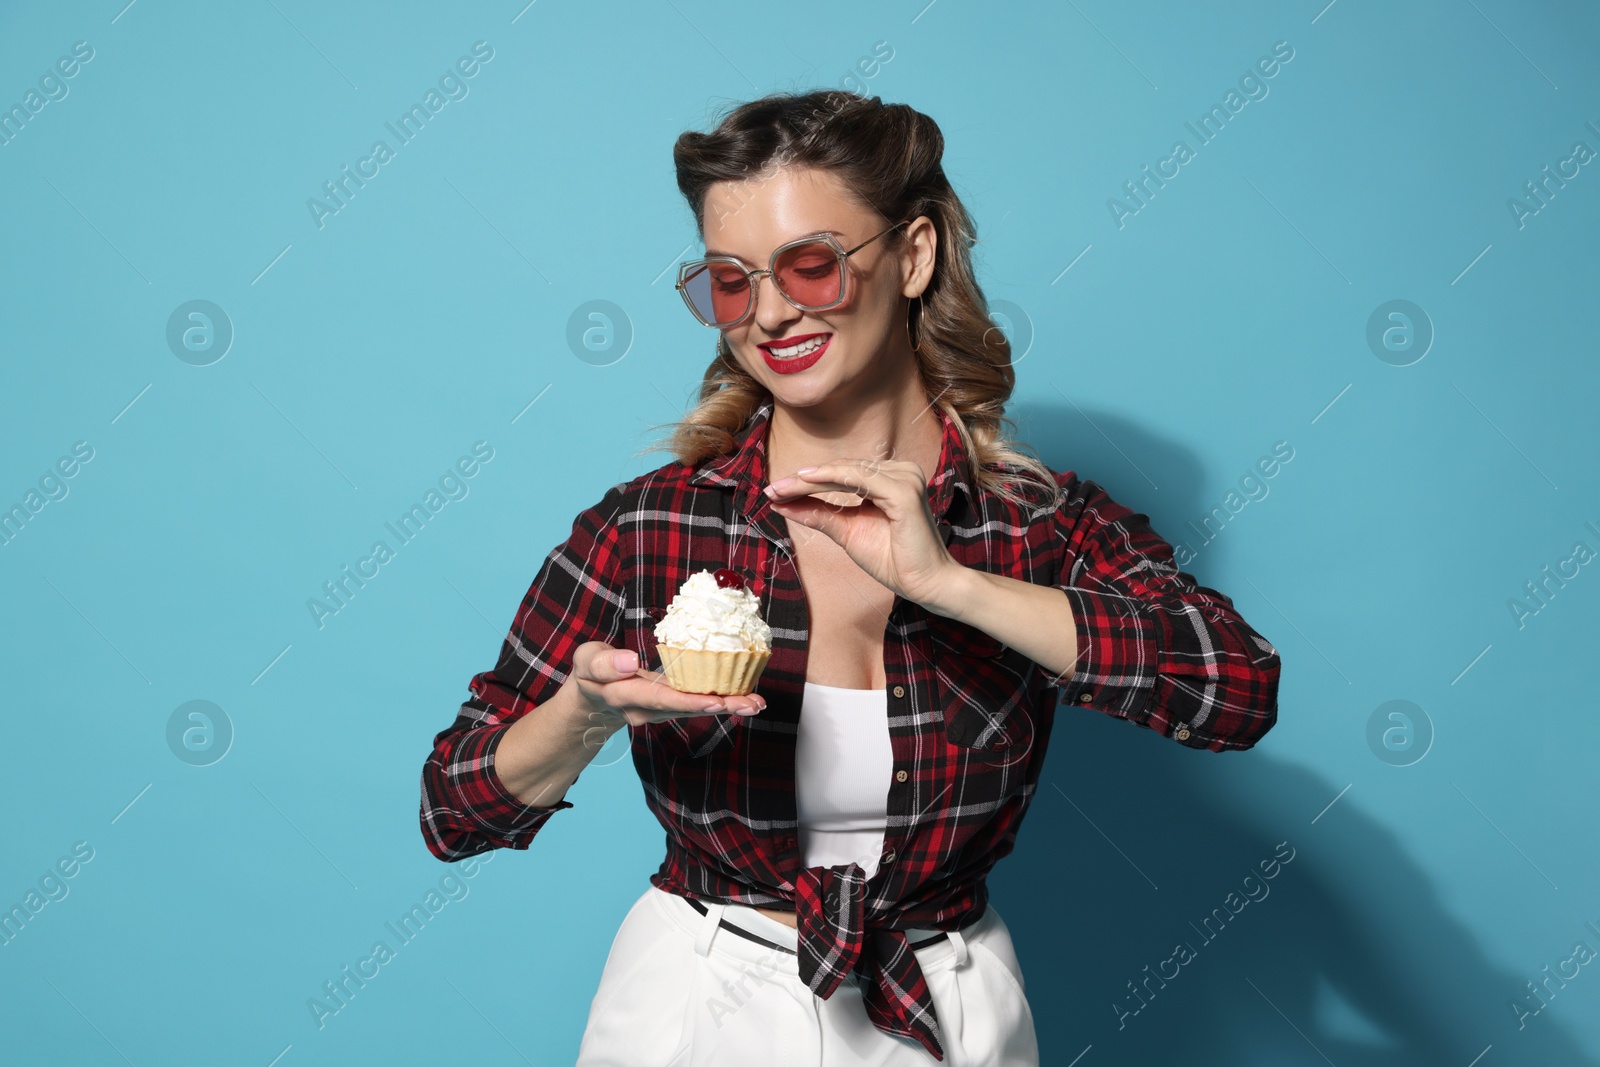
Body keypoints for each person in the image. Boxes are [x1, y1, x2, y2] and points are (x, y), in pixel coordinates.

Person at [419, 89, 1282, 1066]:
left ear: (912, 254)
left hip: (946, 1002)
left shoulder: (1039, 523)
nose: (772, 313)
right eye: (731, 282)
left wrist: (951, 580)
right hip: (699, 997)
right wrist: (583, 713)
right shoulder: (652, 522)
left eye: (812, 264)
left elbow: (1238, 689)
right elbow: (455, 807)